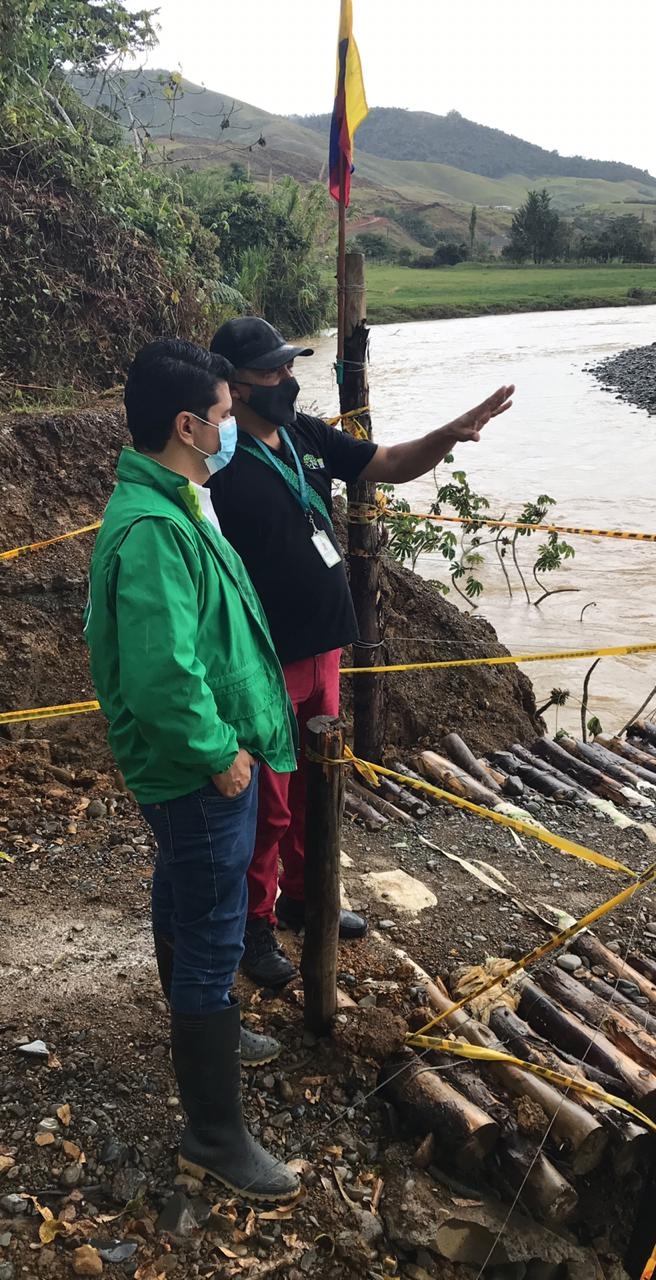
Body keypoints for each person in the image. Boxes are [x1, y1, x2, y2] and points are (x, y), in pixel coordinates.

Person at [209, 316, 514, 988]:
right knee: (270, 798)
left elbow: (391, 463)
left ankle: (304, 898)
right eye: (272, 371)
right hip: (262, 656)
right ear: (234, 382)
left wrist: (448, 433)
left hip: (325, 648)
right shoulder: (216, 460)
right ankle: (253, 927)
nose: (287, 378)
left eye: (290, 366)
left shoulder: (308, 435)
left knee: (318, 783)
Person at [83, 339, 300, 1203]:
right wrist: (222, 757)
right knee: (212, 929)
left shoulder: (175, 501)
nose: (229, 429)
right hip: (195, 768)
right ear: (186, 426)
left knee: (185, 892)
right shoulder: (152, 531)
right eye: (220, 416)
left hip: (198, 762)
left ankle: (202, 1023)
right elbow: (162, 676)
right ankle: (214, 1133)